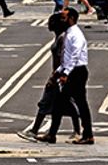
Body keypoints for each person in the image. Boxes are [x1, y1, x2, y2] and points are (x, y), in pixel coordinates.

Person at [17, 11, 79, 142]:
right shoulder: (59, 37)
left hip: (59, 77)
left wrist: (54, 77)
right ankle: (57, 133)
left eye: (51, 22)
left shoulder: (62, 38)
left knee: (47, 103)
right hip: (59, 76)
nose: (48, 24)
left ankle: (35, 130)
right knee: (63, 105)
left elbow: (63, 60)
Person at [36, 8, 93, 145]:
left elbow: (75, 56)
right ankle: (52, 134)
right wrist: (58, 72)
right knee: (59, 103)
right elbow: (66, 58)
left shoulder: (76, 35)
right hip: (70, 70)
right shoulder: (68, 33)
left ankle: (88, 135)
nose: (61, 20)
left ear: (71, 18)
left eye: (64, 18)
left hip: (77, 72)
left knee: (80, 104)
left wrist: (66, 74)